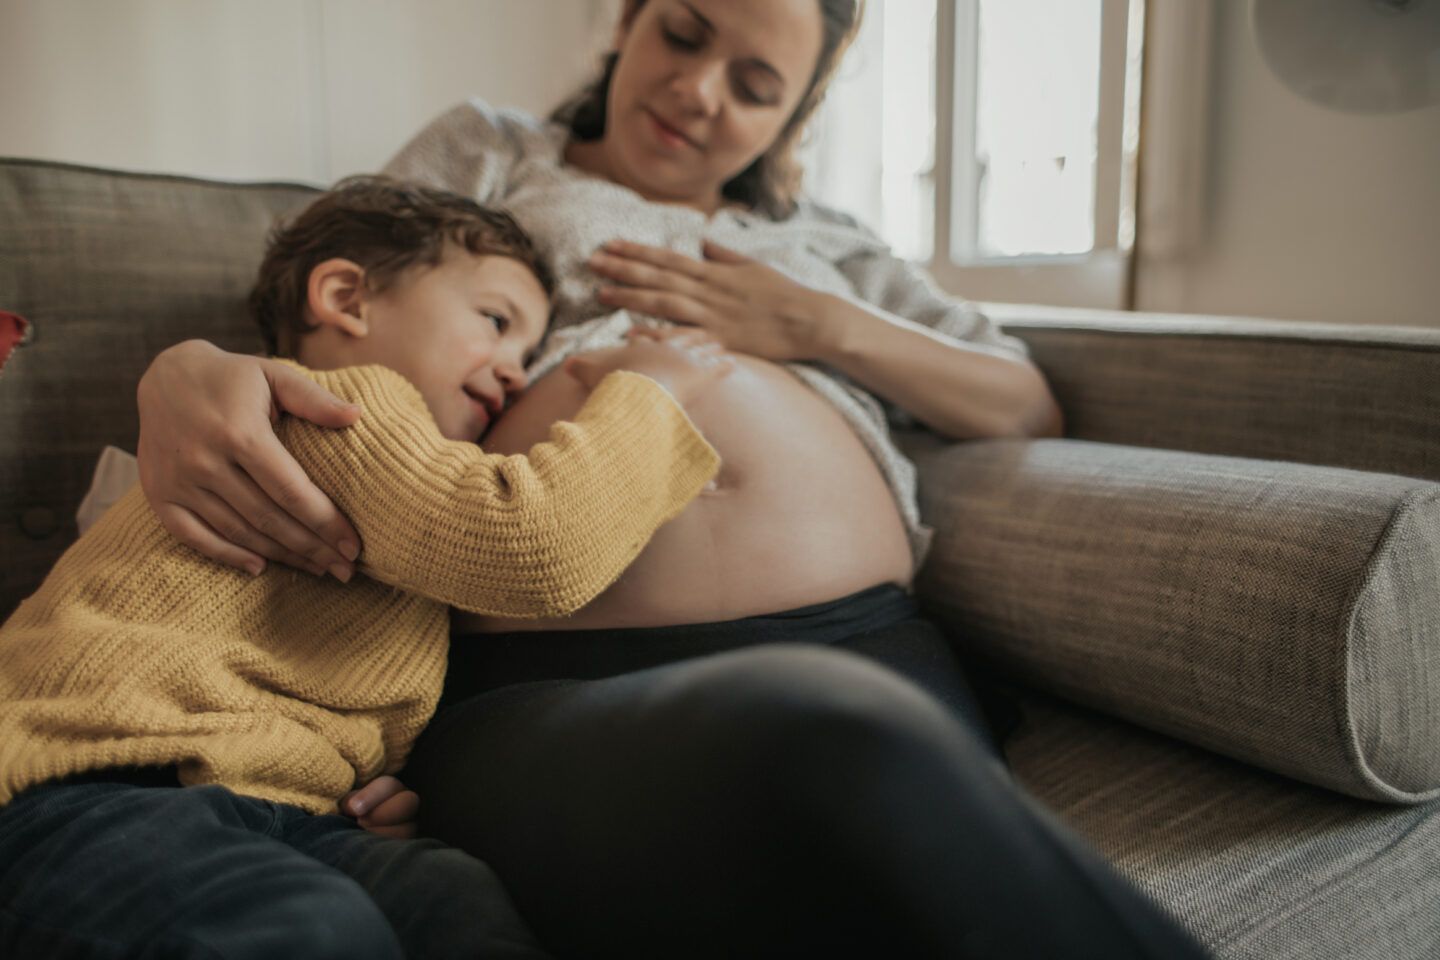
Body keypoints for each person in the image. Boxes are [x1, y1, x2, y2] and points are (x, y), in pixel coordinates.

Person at [133, 1, 1213, 957]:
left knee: (859, 788)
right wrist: (188, 371)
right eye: (684, 34)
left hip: (867, 636)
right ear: (628, 20)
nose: (698, 96)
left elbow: (1023, 403)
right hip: (542, 678)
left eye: (755, 86)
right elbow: (330, 293)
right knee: (832, 737)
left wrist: (817, 323)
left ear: (792, 120)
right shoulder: (502, 152)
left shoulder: (828, 243)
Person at [0, 176, 736, 960]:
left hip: (282, 815)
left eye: (528, 351)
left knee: (453, 907)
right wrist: (655, 391)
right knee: (307, 933)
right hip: (89, 785)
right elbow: (528, 549)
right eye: (494, 321)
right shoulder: (338, 403)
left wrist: (360, 779)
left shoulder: (401, 494)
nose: (517, 371)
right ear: (347, 298)